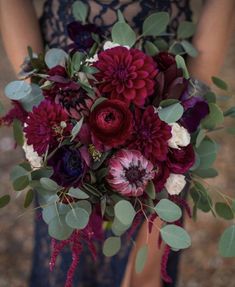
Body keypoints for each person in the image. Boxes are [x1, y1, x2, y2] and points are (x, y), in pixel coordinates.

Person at [0, 1, 234, 286]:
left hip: (166, 89)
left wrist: (189, 104)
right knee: (63, 260)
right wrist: (39, 93)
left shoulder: (171, 118)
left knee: (142, 276)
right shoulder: (56, 112)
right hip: (62, 88)